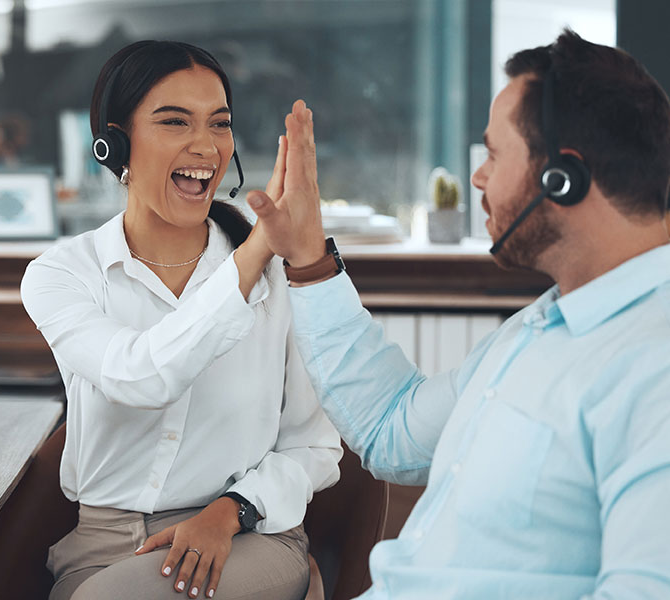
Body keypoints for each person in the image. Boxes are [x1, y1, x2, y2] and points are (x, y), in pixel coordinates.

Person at [243, 30, 670, 599]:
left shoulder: (653, 366)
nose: (477, 177)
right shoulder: (542, 326)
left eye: (494, 154)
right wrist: (308, 260)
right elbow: (392, 428)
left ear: (562, 179)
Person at [20, 40, 342, 600]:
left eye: (220, 124)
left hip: (244, 537)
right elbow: (139, 376)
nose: (206, 146)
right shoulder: (62, 274)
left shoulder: (278, 274)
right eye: (174, 121)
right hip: (102, 545)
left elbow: (313, 447)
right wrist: (253, 255)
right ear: (114, 143)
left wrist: (230, 511)